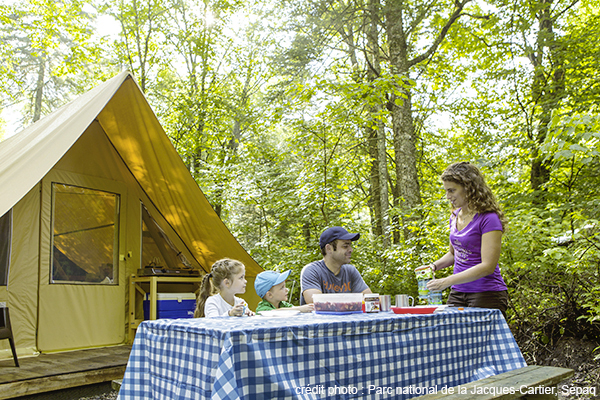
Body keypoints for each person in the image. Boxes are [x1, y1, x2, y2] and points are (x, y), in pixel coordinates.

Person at [416, 162, 509, 318]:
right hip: (458, 292)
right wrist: (433, 266)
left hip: (487, 293)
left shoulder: (489, 218)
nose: (448, 196)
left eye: (452, 190)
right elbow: (453, 254)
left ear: (469, 187)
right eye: (446, 191)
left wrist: (446, 281)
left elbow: (488, 266)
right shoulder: (455, 216)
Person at [300, 226, 372, 305]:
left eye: (350, 246)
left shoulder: (350, 271)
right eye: (345, 246)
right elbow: (315, 303)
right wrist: (355, 299)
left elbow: (370, 300)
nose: (351, 250)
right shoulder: (312, 270)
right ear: (329, 248)